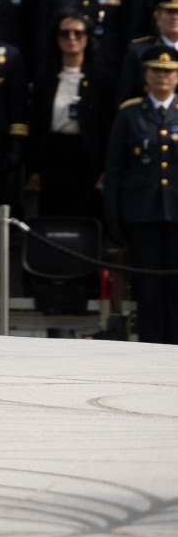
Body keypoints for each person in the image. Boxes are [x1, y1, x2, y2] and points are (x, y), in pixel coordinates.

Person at [102, 44, 178, 344]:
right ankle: (149, 347)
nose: (163, 76)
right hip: (141, 213)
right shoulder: (129, 113)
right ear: (146, 74)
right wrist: (113, 217)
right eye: (156, 70)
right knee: (147, 287)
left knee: (176, 286)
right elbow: (114, 168)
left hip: (176, 215)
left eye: (169, 71)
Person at [27, 13, 114, 222]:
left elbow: (109, 127)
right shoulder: (44, 79)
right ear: (56, 39)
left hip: (87, 159)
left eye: (78, 33)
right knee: (53, 220)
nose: (71, 38)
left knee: (85, 221)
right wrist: (33, 168)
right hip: (53, 156)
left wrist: (106, 168)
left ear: (88, 38)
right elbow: (36, 126)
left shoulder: (101, 80)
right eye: (64, 33)